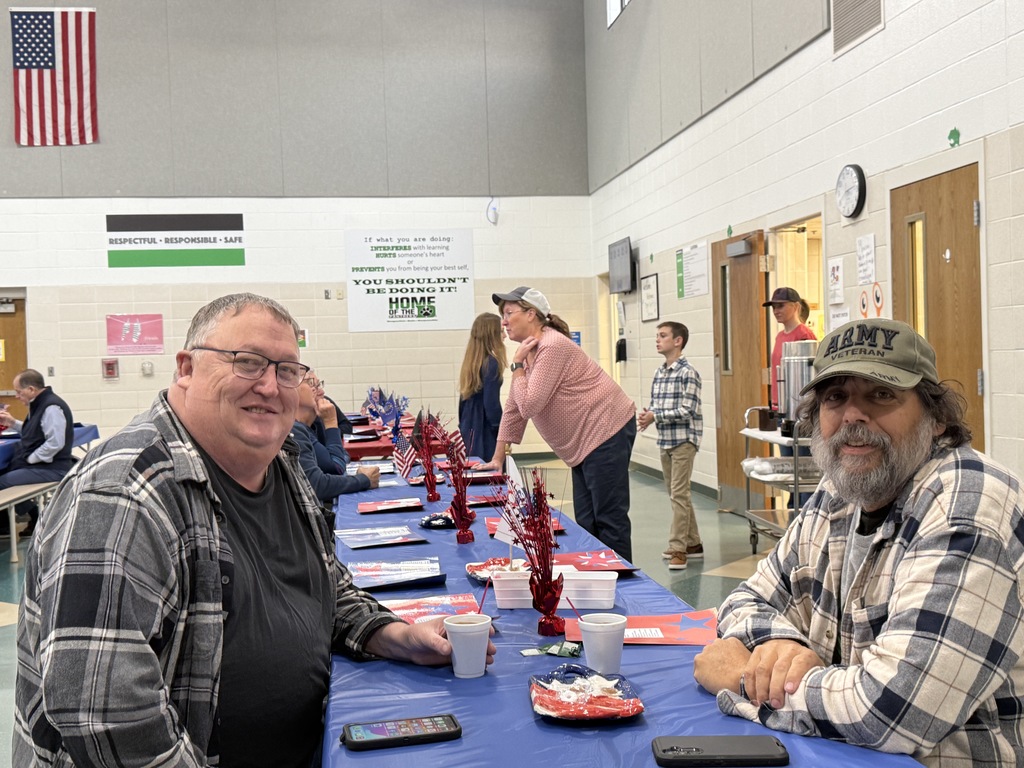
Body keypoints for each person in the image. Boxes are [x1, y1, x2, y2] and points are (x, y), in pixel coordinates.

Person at [14, 293, 495, 768]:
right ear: (186, 368)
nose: (269, 386)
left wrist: (395, 636)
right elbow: (103, 715)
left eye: (287, 371)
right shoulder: (125, 492)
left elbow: (322, 589)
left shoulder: (279, 464)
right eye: (247, 363)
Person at [693, 318, 1024, 766]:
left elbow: (893, 711)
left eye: (881, 394)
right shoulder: (839, 492)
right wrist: (782, 651)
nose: (853, 415)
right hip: (839, 750)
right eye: (835, 397)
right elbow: (747, 599)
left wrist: (743, 676)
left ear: (937, 418)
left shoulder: (967, 509)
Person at [480, 286, 637, 562]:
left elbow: (529, 405)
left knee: (608, 519)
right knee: (587, 521)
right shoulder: (530, 350)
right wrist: (497, 458)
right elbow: (514, 408)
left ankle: (623, 583)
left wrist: (517, 367)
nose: (503, 322)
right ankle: (598, 574)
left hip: (606, 430)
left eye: (509, 313)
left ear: (531, 314)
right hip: (585, 441)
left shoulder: (551, 346)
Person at [637, 322, 704, 571]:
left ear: (678, 341)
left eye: (663, 336)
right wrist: (649, 416)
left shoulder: (688, 373)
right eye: (657, 336)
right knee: (677, 494)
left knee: (679, 494)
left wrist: (656, 416)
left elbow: (688, 410)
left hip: (684, 440)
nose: (658, 340)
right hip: (665, 439)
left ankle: (678, 549)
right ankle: (694, 543)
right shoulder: (659, 373)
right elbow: (656, 405)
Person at [0, 369, 75, 536]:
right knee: (5, 472)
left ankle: (34, 519)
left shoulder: (51, 407)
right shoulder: (40, 404)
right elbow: (35, 433)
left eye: (19, 392)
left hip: (54, 468)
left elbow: (55, 443)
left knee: (3, 482)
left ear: (31, 389)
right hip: (44, 465)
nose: (16, 396)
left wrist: (29, 459)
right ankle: (19, 521)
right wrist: (12, 423)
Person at [292, 372, 380, 505]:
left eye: (318, 384)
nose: (320, 391)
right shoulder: (294, 430)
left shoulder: (314, 423)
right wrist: (331, 422)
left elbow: (342, 456)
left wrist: (336, 460)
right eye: (311, 384)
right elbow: (334, 470)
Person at [764, 286, 816, 508]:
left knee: (803, 468)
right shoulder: (779, 337)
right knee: (789, 467)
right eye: (774, 307)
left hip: (799, 411)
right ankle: (793, 510)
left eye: (781, 306)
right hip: (781, 409)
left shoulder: (804, 335)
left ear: (795, 306)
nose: (776, 311)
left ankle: (804, 512)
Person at [458, 312, 507, 461]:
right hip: (484, 430)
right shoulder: (491, 363)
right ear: (491, 335)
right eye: (501, 331)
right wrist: (502, 431)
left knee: (472, 468)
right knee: (490, 470)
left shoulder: (472, 362)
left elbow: (462, 401)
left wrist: (463, 426)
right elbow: (491, 404)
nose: (505, 336)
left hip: (469, 424)